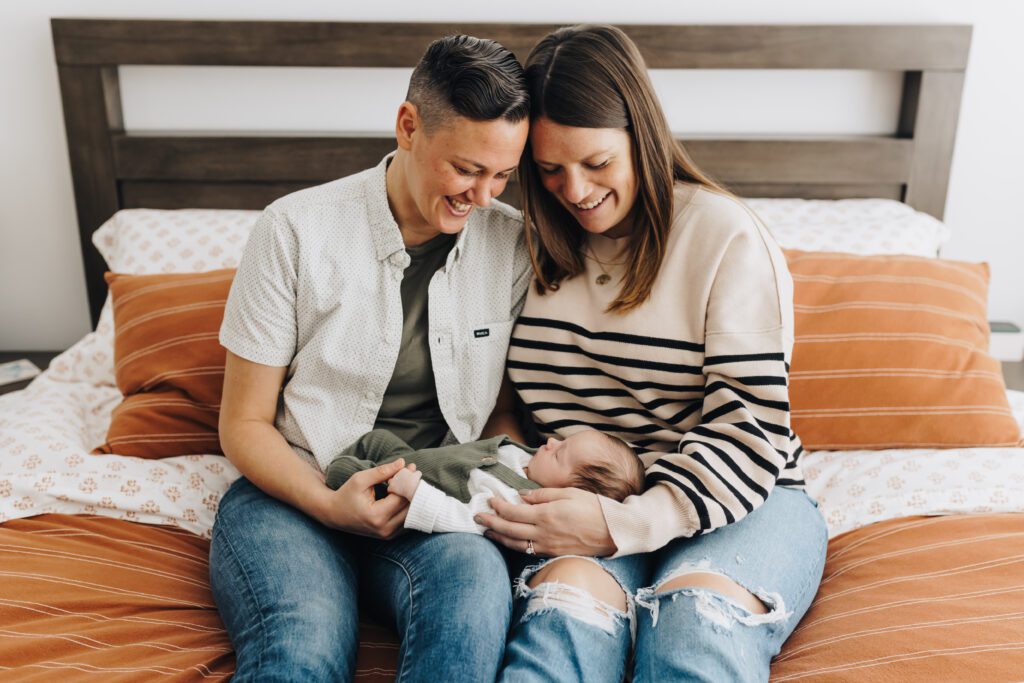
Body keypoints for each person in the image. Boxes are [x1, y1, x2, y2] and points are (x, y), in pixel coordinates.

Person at [476, 25, 829, 681]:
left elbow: (747, 431)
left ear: (642, 132)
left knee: (696, 626)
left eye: (597, 162)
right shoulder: (521, 246)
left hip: (740, 497)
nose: (575, 190)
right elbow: (498, 407)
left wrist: (620, 524)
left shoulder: (725, 237)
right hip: (576, 501)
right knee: (561, 631)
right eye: (550, 169)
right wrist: (523, 486)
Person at [209, 35, 532, 681]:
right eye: (467, 169)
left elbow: (499, 407)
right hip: (293, 494)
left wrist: (507, 488)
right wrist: (329, 505)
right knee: (302, 649)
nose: (484, 195)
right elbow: (243, 422)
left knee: (469, 626)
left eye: (502, 175)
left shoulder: (514, 245)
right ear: (409, 126)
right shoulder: (294, 228)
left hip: (435, 504)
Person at [324, 428, 645, 535]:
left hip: (402, 486)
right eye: (561, 440)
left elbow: (463, 518)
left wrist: (414, 491)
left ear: (562, 496)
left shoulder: (513, 500)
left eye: (560, 455)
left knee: (346, 472)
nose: (549, 442)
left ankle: (330, 477)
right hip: (412, 457)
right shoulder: (532, 462)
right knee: (378, 439)